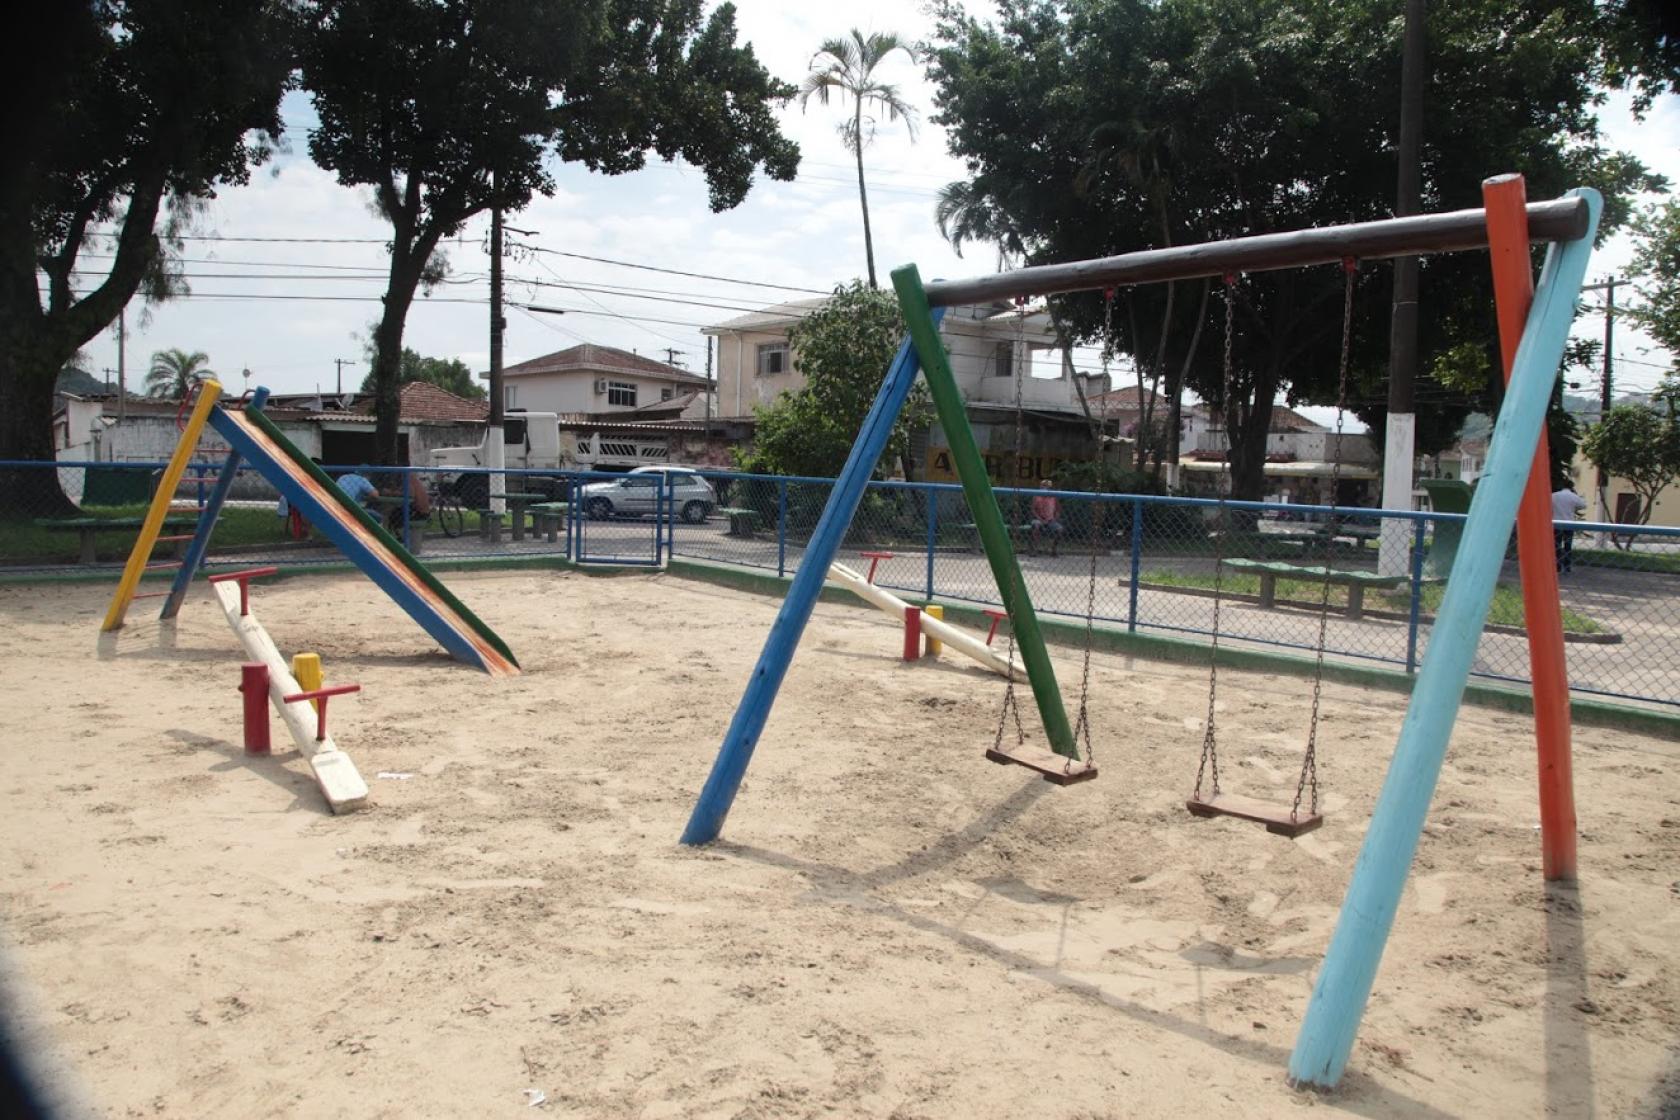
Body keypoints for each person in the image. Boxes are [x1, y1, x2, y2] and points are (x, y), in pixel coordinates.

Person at [1551, 480, 1587, 574]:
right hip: (1569, 524)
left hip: (1556, 523)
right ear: (1571, 487)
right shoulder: (1573, 496)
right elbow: (1583, 505)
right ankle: (1567, 566)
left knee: (1556, 546)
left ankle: (1557, 566)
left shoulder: (1554, 496)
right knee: (1568, 546)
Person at [1029, 478, 1064, 557]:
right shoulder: (1036, 496)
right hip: (1039, 519)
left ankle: (1053, 549)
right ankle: (1034, 549)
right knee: (1036, 525)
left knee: (1060, 529)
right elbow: (1033, 510)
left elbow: (1058, 510)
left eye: (1047, 486)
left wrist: (1054, 519)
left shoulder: (1053, 497)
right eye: (1043, 486)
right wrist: (1040, 519)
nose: (1044, 488)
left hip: (1050, 520)